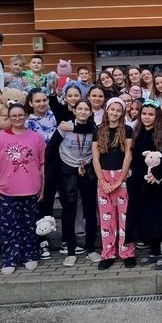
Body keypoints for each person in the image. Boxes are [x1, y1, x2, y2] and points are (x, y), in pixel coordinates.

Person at [0, 103, 46, 275]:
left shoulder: (35, 138)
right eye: (14, 116)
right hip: (7, 191)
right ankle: (10, 258)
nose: (17, 118)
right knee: (8, 227)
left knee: (29, 225)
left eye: (20, 115)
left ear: (25, 116)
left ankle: (30, 255)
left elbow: (42, 164)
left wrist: (43, 186)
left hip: (31, 189)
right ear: (9, 118)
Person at [126, 100, 162, 270]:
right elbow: (135, 159)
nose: (147, 117)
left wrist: (156, 173)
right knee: (149, 219)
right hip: (144, 185)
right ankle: (155, 251)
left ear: (157, 117)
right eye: (144, 114)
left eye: (151, 114)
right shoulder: (137, 134)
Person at [52, 99, 99, 266]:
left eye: (86, 109)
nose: (83, 112)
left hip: (87, 170)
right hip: (68, 172)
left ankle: (91, 249)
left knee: (90, 211)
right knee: (69, 211)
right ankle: (70, 251)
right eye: (80, 108)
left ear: (91, 112)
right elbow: (51, 149)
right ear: (74, 111)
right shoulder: (65, 127)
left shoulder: (94, 128)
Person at [92, 98, 136, 270]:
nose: (115, 113)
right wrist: (102, 180)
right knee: (107, 218)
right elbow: (95, 157)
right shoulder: (98, 130)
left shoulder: (127, 130)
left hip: (122, 176)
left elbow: (128, 156)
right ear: (107, 110)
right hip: (104, 176)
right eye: (112, 109)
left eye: (118, 110)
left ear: (122, 113)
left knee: (125, 216)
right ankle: (108, 254)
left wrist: (120, 180)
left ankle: (127, 252)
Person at [25, 88, 59, 260]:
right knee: (42, 203)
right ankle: (42, 241)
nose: (42, 103)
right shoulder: (26, 122)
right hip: (37, 166)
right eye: (37, 101)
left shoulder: (55, 116)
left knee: (52, 203)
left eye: (44, 100)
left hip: (58, 163)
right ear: (30, 103)